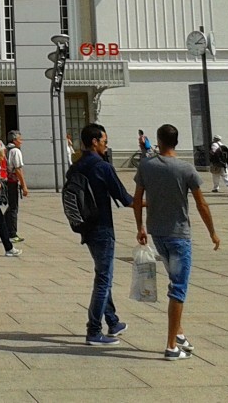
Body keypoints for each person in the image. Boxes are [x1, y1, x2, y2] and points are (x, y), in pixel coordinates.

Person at [133, 123, 219, 361]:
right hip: (179, 234)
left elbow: (138, 199)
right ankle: (171, 345)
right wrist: (212, 232)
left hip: (157, 233)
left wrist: (140, 227)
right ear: (177, 142)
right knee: (178, 288)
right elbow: (201, 204)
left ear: (158, 141)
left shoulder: (146, 166)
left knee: (174, 281)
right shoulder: (185, 169)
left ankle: (178, 333)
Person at [69, 123, 133, 347]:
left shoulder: (75, 167)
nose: (106, 145)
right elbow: (124, 198)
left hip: (84, 225)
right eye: (104, 141)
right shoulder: (102, 167)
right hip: (102, 227)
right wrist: (149, 203)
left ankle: (112, 321)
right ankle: (94, 330)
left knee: (102, 274)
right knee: (104, 278)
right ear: (94, 142)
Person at [4, 131, 29, 243]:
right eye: (20, 139)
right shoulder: (15, 151)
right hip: (12, 181)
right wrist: (24, 186)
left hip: (6, 181)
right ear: (14, 140)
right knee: (14, 208)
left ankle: (2, 226)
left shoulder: (6, 149)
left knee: (11, 206)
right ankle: (12, 233)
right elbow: (18, 169)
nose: (21, 142)